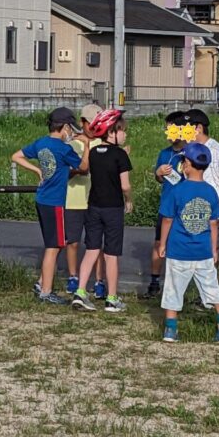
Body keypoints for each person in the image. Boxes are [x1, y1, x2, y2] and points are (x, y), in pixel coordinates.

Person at [157, 141, 219, 344]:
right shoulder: (210, 191)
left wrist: (162, 244)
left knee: (173, 289)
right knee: (212, 287)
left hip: (179, 250)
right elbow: (213, 223)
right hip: (203, 251)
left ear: (186, 164)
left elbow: (167, 219)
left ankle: (171, 329)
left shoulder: (177, 190)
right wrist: (213, 249)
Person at [11, 107, 85, 305]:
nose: (71, 132)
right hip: (55, 202)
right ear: (65, 127)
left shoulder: (41, 143)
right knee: (53, 247)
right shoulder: (64, 149)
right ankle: (46, 291)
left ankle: (41, 283)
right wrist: (86, 146)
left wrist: (37, 170)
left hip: (42, 199)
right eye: (70, 128)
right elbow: (83, 167)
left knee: (57, 243)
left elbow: (16, 156)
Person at [73, 109, 132, 313]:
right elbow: (125, 185)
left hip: (93, 207)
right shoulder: (120, 155)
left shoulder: (93, 152)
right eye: (122, 130)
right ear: (112, 132)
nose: (124, 134)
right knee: (111, 254)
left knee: (91, 250)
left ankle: (80, 292)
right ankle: (112, 298)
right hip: (113, 208)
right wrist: (129, 199)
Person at [63, 104, 105, 297]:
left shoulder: (103, 144)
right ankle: (73, 277)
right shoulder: (72, 145)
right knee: (72, 242)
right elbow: (67, 172)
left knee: (96, 244)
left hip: (96, 200)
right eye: (90, 124)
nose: (94, 128)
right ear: (82, 122)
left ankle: (99, 280)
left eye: (98, 124)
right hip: (73, 200)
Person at [146, 111, 189, 299]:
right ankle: (154, 282)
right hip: (167, 206)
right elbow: (159, 179)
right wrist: (158, 173)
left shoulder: (191, 153)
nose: (168, 133)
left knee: (183, 245)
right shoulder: (165, 153)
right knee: (159, 243)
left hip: (185, 207)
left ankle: (181, 286)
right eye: (167, 129)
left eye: (171, 129)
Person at [184, 109, 219, 252]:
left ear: (199, 128)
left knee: (217, 252)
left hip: (218, 212)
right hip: (200, 210)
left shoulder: (216, 150)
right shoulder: (190, 150)